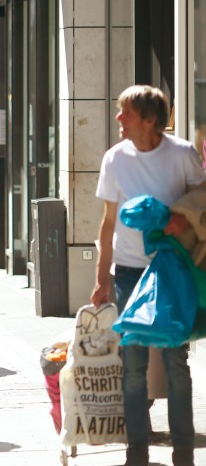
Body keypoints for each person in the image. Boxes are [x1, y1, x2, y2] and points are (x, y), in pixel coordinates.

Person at [91, 86, 206, 466]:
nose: (119, 120)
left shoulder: (183, 154)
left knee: (175, 361)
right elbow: (108, 224)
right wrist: (101, 278)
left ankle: (184, 452)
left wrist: (181, 218)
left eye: (126, 113)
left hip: (174, 270)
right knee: (133, 363)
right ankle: (136, 451)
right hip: (128, 272)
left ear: (150, 120)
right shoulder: (115, 159)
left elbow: (201, 201)